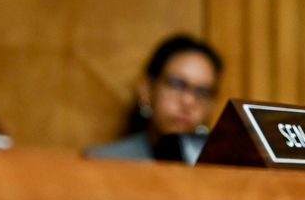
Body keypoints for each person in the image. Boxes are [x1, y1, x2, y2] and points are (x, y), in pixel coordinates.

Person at [85, 34, 224, 163]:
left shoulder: (223, 169)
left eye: (202, 92)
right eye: (176, 85)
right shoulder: (104, 161)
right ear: (146, 89)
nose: (189, 101)